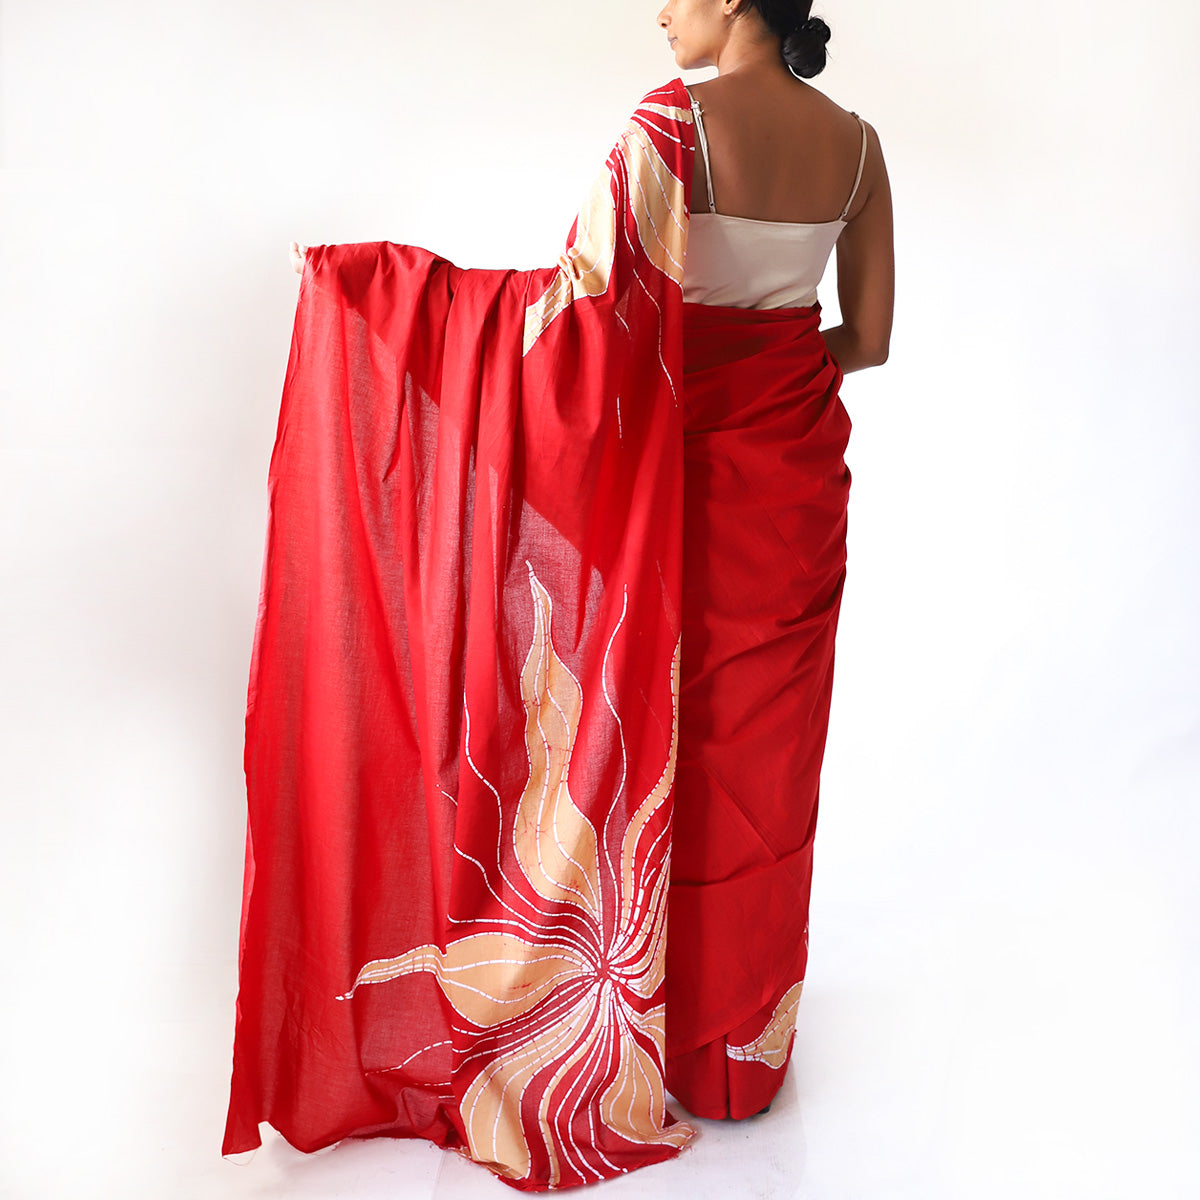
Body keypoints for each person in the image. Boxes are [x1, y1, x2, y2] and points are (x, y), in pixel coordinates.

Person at [233, 0, 893, 1190]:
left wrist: (379, 286)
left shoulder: (671, 130)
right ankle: (736, 1060)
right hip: (792, 487)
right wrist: (771, 369)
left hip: (676, 489)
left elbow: (571, 323)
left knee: (655, 740)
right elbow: (871, 339)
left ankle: (626, 1029)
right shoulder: (857, 147)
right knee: (764, 763)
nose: (662, 11)